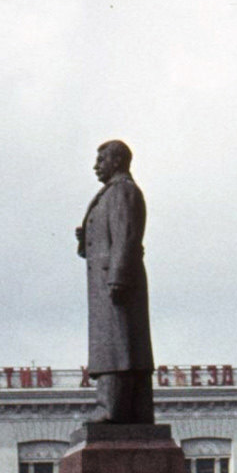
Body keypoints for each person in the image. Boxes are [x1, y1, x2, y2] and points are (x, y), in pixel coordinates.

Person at [75, 139, 154, 424]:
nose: (96, 166)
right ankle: (122, 408)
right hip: (109, 282)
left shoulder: (122, 192)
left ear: (117, 161)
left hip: (115, 283)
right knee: (116, 344)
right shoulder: (110, 193)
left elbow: (126, 236)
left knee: (117, 346)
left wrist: (118, 277)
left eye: (101, 159)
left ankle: (111, 409)